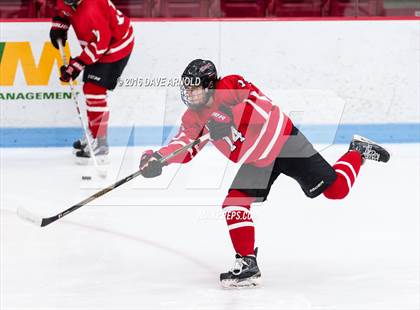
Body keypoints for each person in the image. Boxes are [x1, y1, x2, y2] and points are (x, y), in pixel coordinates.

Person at [138, 59, 390, 288]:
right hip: (257, 162)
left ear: (210, 85)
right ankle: (247, 262)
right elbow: (185, 144)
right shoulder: (193, 116)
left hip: (284, 144)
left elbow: (262, 107)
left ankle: (356, 151)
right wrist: (159, 158)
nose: (190, 94)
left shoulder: (231, 84)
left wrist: (226, 116)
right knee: (234, 202)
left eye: (194, 88)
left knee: (336, 191)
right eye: (187, 89)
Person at [49, 0, 134, 162]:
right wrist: (59, 27)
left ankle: (100, 142)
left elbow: (101, 45)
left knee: (94, 90)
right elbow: (63, 13)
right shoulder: (68, 1)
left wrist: (77, 65)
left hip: (116, 45)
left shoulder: (93, 8)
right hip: (100, 44)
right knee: (90, 89)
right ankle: (94, 135)